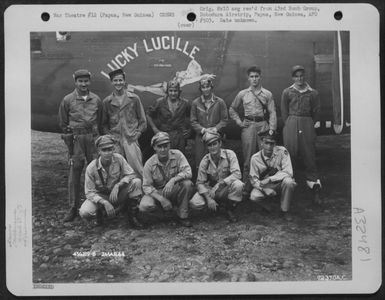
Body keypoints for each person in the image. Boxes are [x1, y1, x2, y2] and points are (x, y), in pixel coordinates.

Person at [58, 69, 103, 222]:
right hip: (76, 139)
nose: (83, 84)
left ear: (89, 82)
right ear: (75, 82)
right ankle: (73, 208)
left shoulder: (96, 99)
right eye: (80, 81)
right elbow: (63, 123)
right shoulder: (67, 100)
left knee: (96, 172)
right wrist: (70, 141)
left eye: (86, 81)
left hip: (92, 138)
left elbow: (101, 121)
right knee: (74, 174)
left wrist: (96, 137)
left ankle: (98, 205)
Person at [229, 66, 277, 193]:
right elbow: (232, 109)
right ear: (248, 78)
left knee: (265, 157)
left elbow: (272, 112)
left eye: (256, 76)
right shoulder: (243, 94)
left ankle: (264, 186)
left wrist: (272, 129)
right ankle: (246, 187)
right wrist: (239, 122)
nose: (254, 79)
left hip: (263, 126)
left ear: (260, 77)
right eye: (252, 76)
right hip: (249, 126)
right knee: (248, 158)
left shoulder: (267, 94)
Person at [79, 135, 144, 228]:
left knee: (136, 182)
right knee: (84, 212)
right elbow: (89, 192)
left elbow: (131, 174)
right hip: (101, 196)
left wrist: (118, 185)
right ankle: (99, 214)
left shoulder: (119, 159)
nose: (107, 153)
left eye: (110, 149)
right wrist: (104, 202)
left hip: (116, 194)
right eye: (104, 150)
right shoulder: (91, 167)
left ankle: (132, 216)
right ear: (99, 151)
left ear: (114, 150)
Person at [281, 65, 322, 204]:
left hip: (307, 123)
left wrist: (309, 123)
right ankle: (289, 186)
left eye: (301, 76)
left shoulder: (313, 93)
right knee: (290, 153)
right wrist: (289, 124)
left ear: (305, 76)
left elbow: (316, 111)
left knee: (309, 154)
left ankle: (314, 186)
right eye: (296, 76)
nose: (299, 78)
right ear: (293, 77)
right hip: (291, 122)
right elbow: (284, 110)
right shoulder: (287, 92)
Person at [139, 132, 195, 227]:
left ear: (169, 145)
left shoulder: (177, 155)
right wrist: (161, 199)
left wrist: (173, 180)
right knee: (144, 206)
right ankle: (165, 213)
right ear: (154, 147)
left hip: (173, 189)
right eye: (159, 146)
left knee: (187, 184)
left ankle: (183, 215)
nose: (163, 149)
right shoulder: (149, 163)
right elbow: (146, 187)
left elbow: (188, 172)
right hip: (158, 192)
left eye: (165, 146)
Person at [102, 68, 147, 179]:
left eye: (120, 80)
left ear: (124, 81)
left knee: (137, 169)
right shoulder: (107, 101)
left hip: (131, 139)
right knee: (116, 170)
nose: (118, 83)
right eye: (115, 81)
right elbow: (103, 124)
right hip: (115, 141)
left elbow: (143, 121)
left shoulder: (134, 99)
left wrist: (137, 134)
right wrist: (109, 137)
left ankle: (141, 192)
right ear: (112, 82)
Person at [190, 130, 244, 222]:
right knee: (195, 203)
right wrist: (208, 198)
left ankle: (229, 209)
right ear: (207, 147)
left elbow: (237, 174)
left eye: (214, 144)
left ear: (220, 143)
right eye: (209, 145)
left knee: (238, 185)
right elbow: (199, 183)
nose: (212, 147)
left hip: (225, 187)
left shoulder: (229, 154)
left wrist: (222, 183)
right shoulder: (205, 160)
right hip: (211, 189)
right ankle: (213, 207)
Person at [249, 131, 297, 221]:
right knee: (254, 196)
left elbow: (288, 172)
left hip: (280, 183)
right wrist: (264, 189)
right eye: (266, 143)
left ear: (275, 144)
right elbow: (253, 180)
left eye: (272, 143)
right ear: (261, 143)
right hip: (266, 185)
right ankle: (269, 207)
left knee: (289, 182)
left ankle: (285, 210)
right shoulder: (255, 158)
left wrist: (270, 179)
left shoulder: (282, 151)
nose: (269, 146)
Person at [190, 76, 229, 167]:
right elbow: (193, 121)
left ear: (211, 87)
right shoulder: (196, 103)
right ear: (200, 89)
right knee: (200, 163)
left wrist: (215, 129)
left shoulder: (220, 102)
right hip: (201, 137)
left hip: (216, 136)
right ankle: (201, 180)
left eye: (207, 87)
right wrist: (203, 130)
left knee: (218, 161)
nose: (205, 89)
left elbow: (224, 120)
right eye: (203, 87)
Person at [146, 79, 191, 153]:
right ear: (167, 91)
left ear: (179, 91)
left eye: (175, 91)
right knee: (164, 157)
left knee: (179, 158)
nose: (173, 93)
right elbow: (148, 114)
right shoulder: (160, 102)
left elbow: (192, 117)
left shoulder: (185, 103)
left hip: (179, 136)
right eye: (171, 91)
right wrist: (155, 129)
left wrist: (189, 130)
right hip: (164, 135)